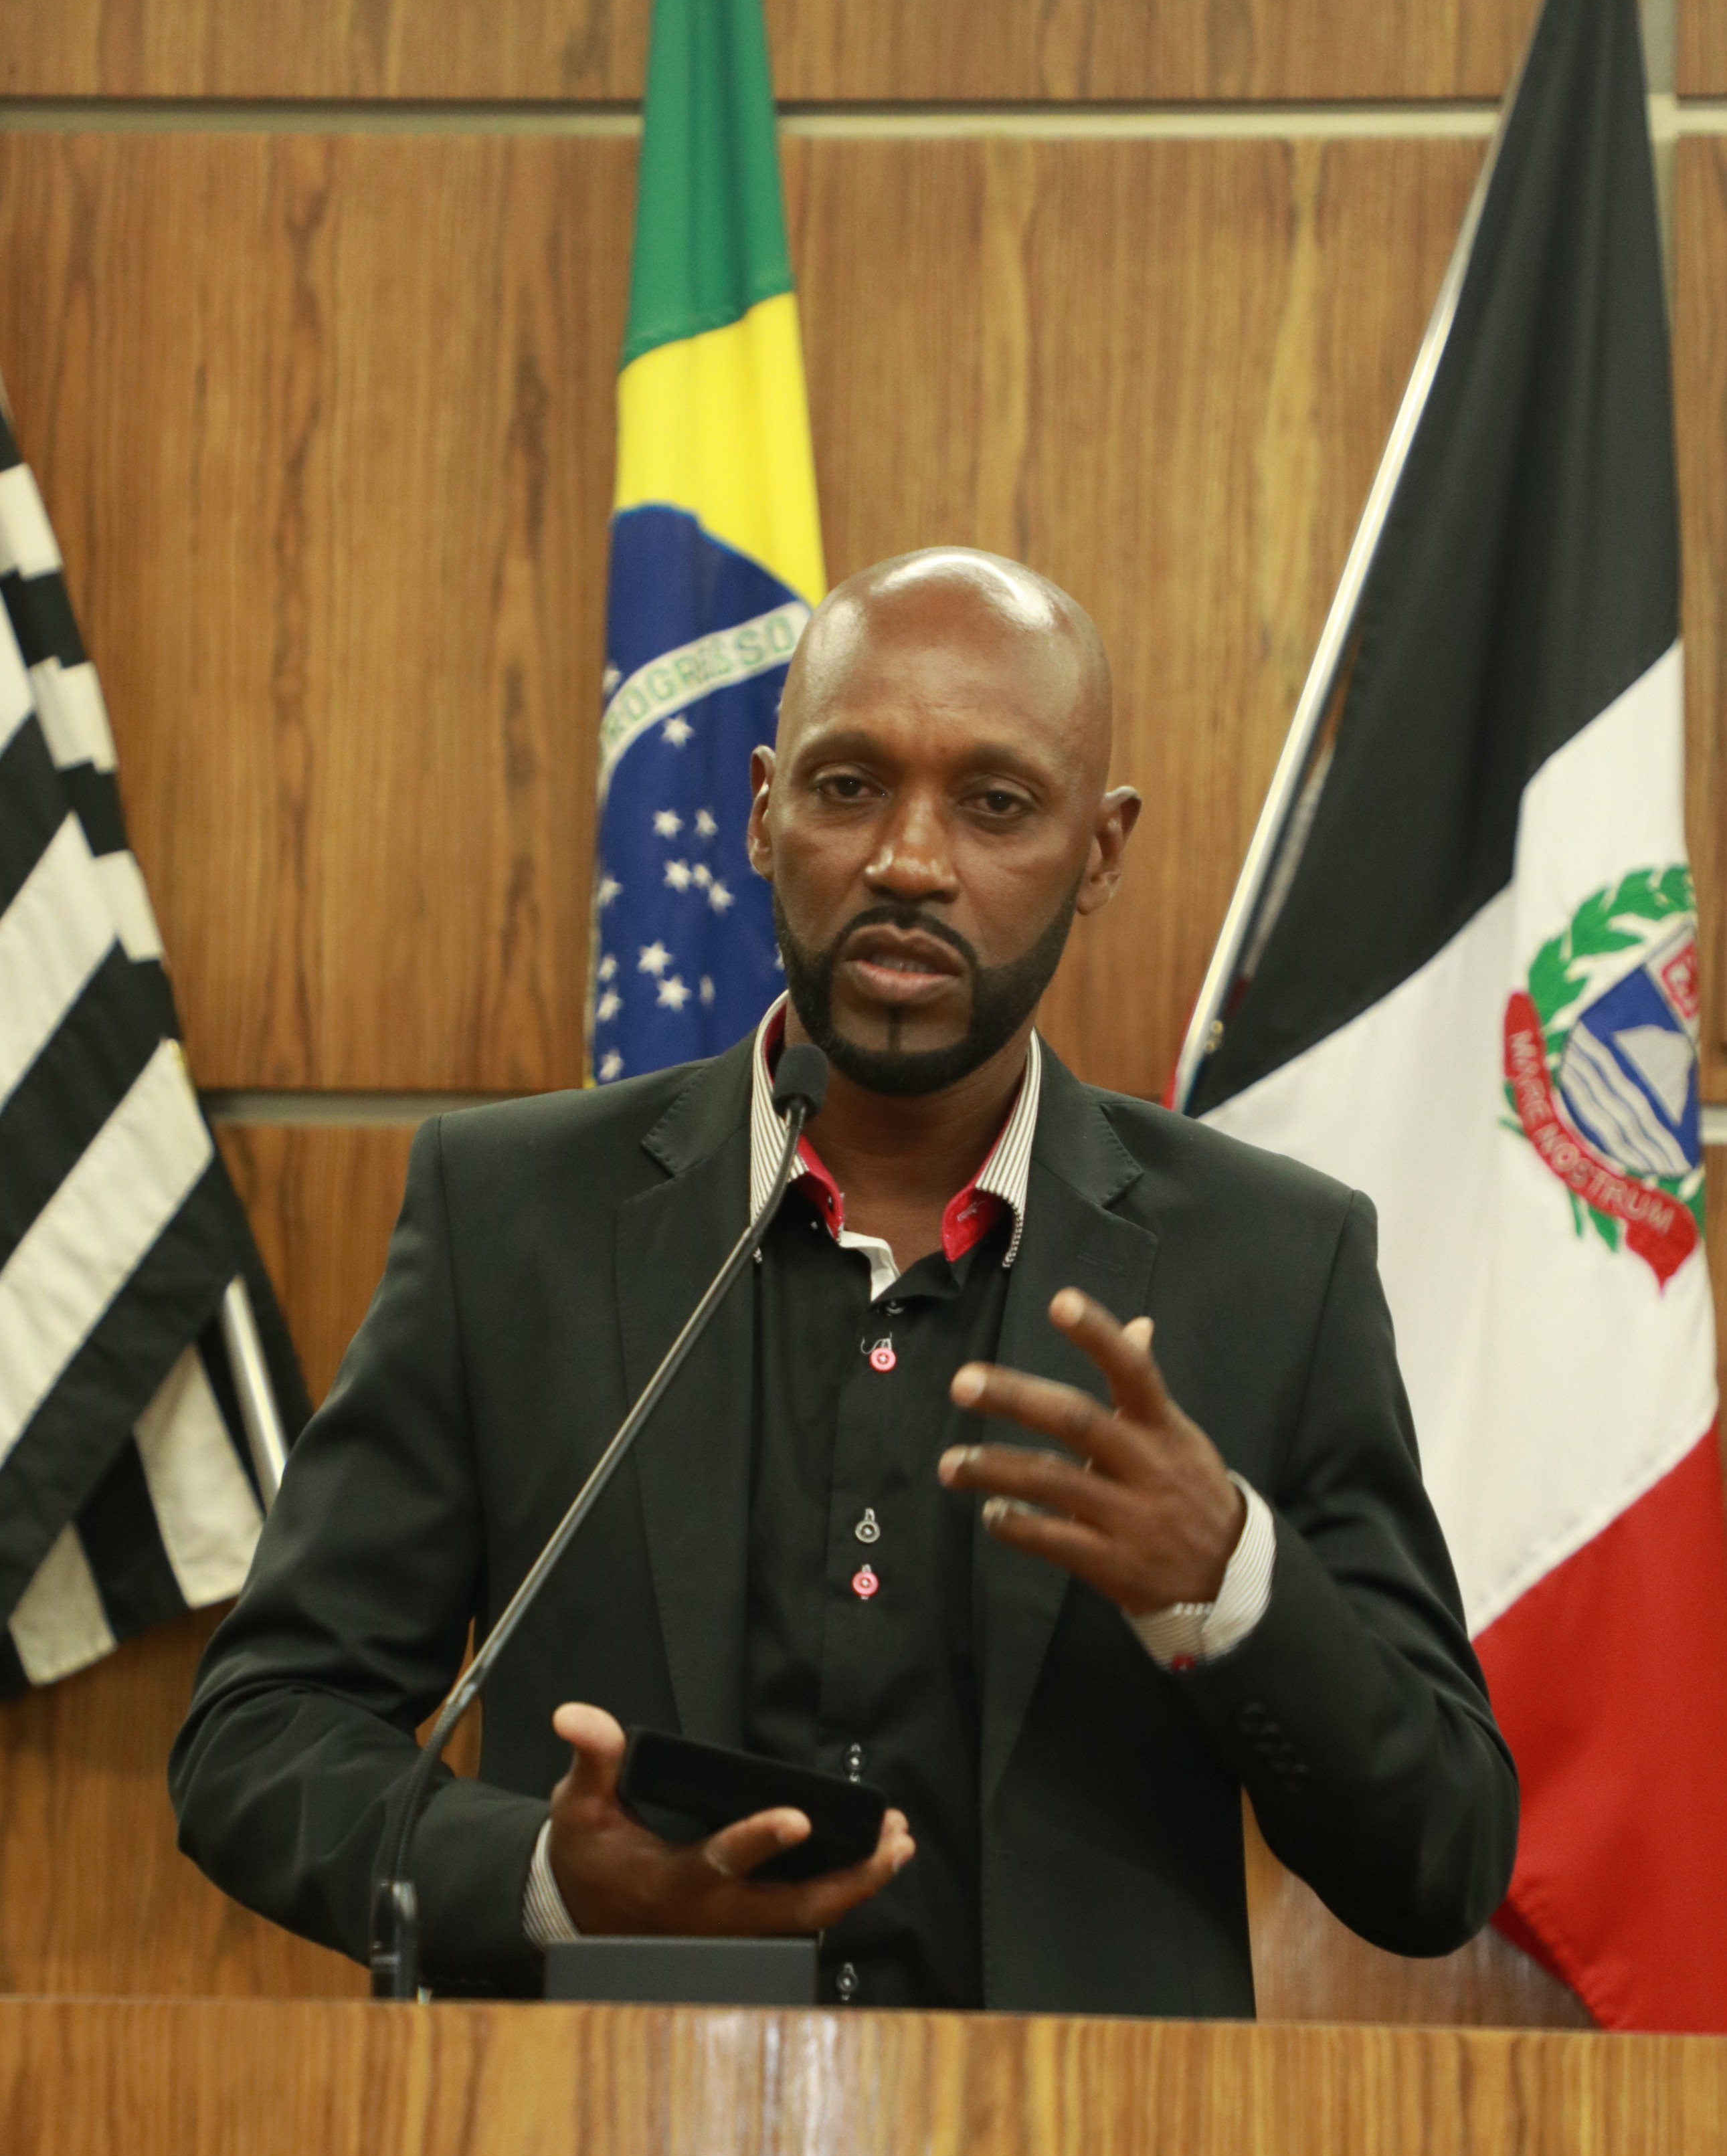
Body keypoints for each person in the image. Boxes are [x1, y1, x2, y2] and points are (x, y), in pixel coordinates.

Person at [171, 549, 1517, 2010]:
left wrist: (1230, 1581)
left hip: (1084, 2148)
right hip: (609, 2135)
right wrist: (549, 1885)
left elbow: (1439, 1860)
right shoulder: (512, 1218)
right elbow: (262, 1730)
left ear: (1100, 852)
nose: (909, 862)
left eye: (996, 804)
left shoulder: (1272, 1266)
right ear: (763, 812)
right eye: (849, 785)